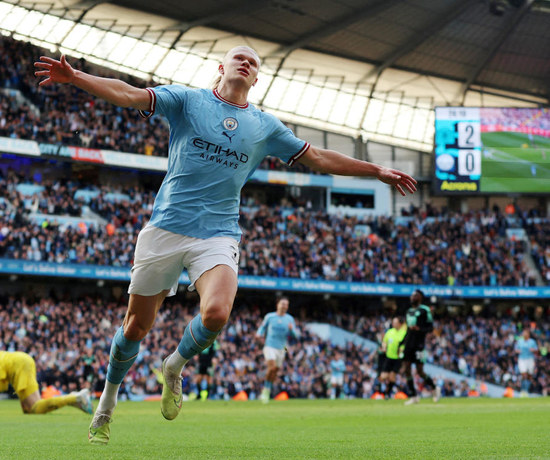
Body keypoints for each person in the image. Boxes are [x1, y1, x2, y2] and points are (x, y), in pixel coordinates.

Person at [34, 46, 416, 446]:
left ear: (256, 80)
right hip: (165, 228)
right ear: (221, 68)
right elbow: (130, 93)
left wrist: (376, 170)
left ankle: (174, 365)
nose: (246, 62)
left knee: (216, 313)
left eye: (254, 62)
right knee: (135, 326)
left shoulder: (265, 126)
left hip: (217, 233)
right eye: (239, 57)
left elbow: (317, 156)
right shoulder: (187, 100)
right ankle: (106, 406)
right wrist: (77, 77)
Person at [399, 290, 439, 404]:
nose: (412, 297)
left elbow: (430, 328)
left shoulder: (425, 310)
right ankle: (413, 396)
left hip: (419, 344)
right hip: (409, 344)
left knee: (420, 371)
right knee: (406, 368)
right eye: (411, 295)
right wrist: (401, 343)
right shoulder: (409, 311)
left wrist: (419, 329)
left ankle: (435, 388)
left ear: (420, 297)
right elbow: (407, 329)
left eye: (415, 295)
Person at [256, 297, 298, 403]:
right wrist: (259, 334)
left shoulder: (289, 319)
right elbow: (262, 327)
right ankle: (265, 392)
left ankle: (267, 389)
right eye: (282, 303)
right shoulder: (270, 317)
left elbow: (296, 336)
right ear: (277, 305)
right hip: (269, 345)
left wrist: (291, 330)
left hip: (282, 348)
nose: (284, 306)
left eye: (286, 304)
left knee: (275, 370)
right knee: (272, 366)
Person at [379, 316, 406, 399]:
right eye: (393, 322)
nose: (393, 324)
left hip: (397, 359)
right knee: (383, 376)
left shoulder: (404, 333)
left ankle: (387, 393)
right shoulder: (389, 332)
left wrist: (401, 350)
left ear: (400, 324)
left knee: (392, 376)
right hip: (388, 357)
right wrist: (384, 347)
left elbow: (405, 345)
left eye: (395, 322)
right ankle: (386, 391)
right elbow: (384, 341)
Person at [515, 329, 538, 396]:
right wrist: (518, 351)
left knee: (529, 375)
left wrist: (533, 350)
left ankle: (527, 390)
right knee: (523, 374)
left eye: (525, 333)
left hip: (530, 359)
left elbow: (536, 350)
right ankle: (523, 390)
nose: (524, 335)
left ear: (528, 334)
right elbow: (516, 349)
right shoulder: (520, 341)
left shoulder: (532, 342)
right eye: (523, 333)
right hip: (522, 359)